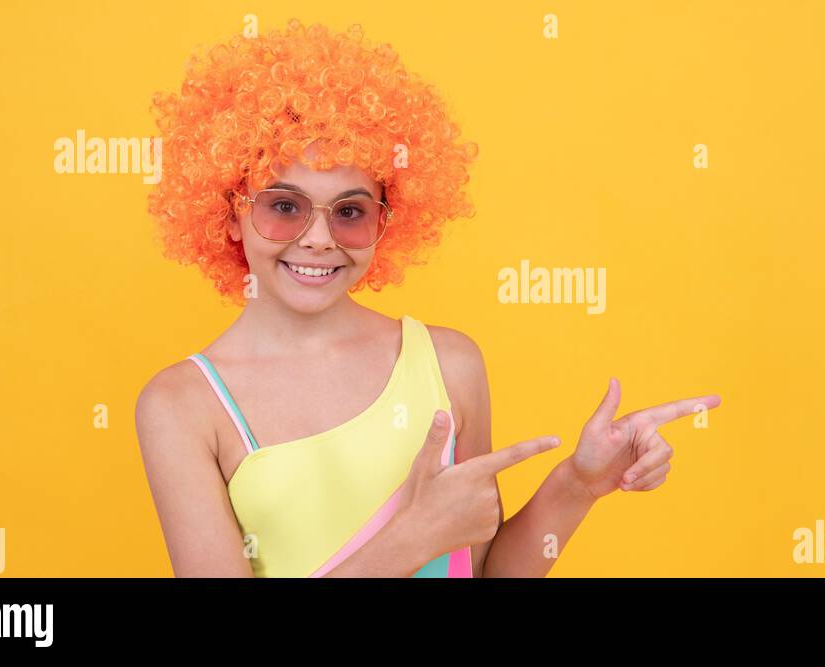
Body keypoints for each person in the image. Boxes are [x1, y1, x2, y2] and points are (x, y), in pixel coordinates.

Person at [135, 19, 721, 577]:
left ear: (385, 223)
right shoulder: (182, 406)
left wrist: (580, 483)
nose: (318, 238)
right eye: (283, 206)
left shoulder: (449, 364)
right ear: (229, 214)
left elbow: (481, 568)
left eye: (350, 211)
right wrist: (411, 539)